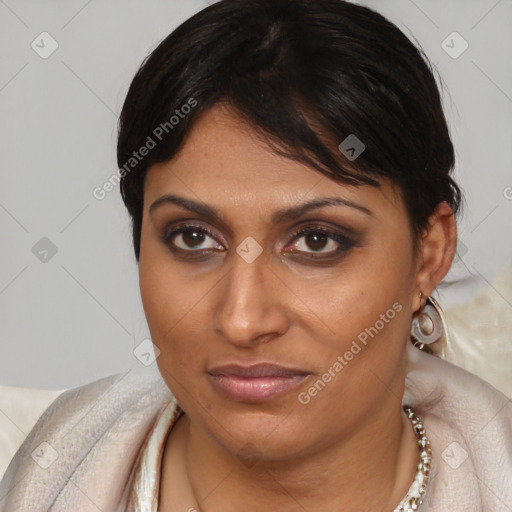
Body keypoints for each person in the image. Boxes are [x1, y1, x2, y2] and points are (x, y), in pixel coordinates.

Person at [1, 0, 511, 510]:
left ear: (429, 254)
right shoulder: (51, 473)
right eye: (194, 238)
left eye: (316, 241)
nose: (242, 320)